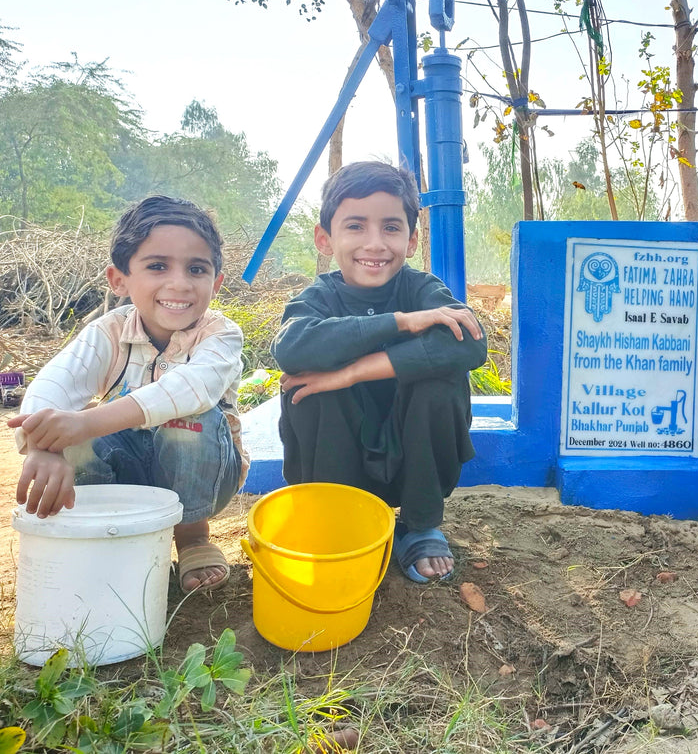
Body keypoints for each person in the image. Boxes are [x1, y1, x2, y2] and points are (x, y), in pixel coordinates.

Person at [10, 196, 248, 594]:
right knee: (73, 432)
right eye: (157, 266)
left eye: (196, 269)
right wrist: (45, 446)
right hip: (127, 474)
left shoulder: (220, 334)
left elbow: (191, 389)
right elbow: (55, 383)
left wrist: (84, 422)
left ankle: (192, 537)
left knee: (190, 417)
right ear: (119, 280)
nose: (179, 283)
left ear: (216, 282)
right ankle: (107, 535)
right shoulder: (109, 331)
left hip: (206, 475)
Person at [272, 161, 487, 583]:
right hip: (339, 459)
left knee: (441, 382)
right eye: (355, 226)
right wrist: (401, 322)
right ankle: (339, 523)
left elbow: (471, 341)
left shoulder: (422, 288)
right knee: (309, 385)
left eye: (391, 228)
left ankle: (419, 524)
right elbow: (293, 347)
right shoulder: (318, 297)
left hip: (412, 459)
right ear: (324, 238)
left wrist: (352, 372)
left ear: (411, 240)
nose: (375, 243)